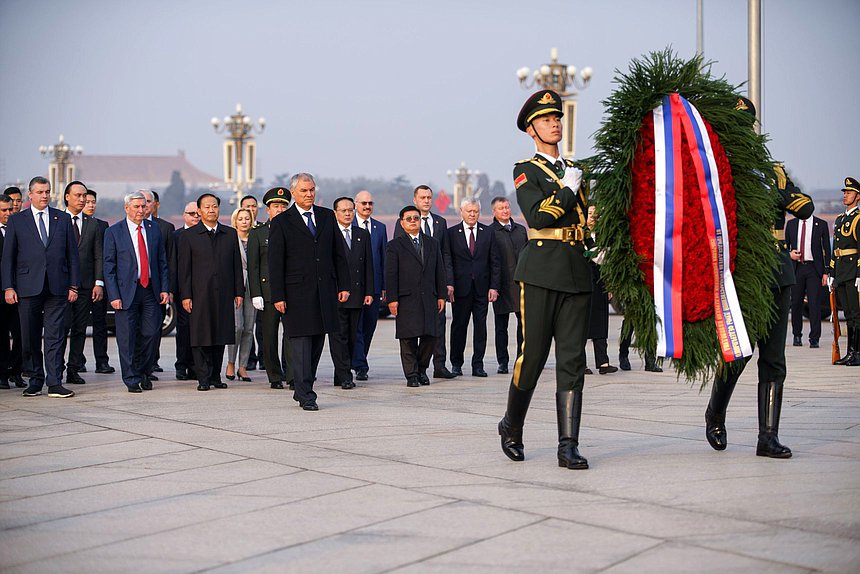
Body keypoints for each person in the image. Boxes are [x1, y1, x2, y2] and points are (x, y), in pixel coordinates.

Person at [704, 97, 814, 459]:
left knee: (774, 358)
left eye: (747, 125)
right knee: (738, 353)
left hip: (778, 270)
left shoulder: (773, 171)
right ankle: (716, 411)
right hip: (745, 272)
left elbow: (806, 205)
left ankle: (767, 436)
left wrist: (781, 192)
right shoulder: (720, 169)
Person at [498, 90, 592, 469]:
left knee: (572, 359)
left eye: (557, 118)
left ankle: (567, 445)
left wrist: (595, 244)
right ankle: (511, 425)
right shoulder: (527, 169)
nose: (555, 123)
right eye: (547, 119)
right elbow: (538, 216)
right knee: (532, 356)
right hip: (539, 271)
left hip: (576, 270)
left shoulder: (576, 167)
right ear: (531, 129)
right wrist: (568, 187)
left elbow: (585, 220)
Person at [268, 173, 349, 410]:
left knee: (316, 344)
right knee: (301, 345)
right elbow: (275, 262)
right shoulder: (282, 222)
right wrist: (279, 295)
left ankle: (304, 386)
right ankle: (306, 394)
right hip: (296, 294)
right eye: (304, 191)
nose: (309, 194)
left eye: (312, 190)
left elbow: (338, 254)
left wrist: (343, 284)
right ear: (293, 193)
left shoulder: (326, 217)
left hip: (324, 291)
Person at [2, 176, 80, 398]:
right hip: (27, 288)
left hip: (57, 287)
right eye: (40, 192)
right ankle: (35, 379)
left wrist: (74, 285)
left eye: (47, 191)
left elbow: (72, 256)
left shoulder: (62, 219)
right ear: (31, 195)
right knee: (29, 337)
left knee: (55, 336)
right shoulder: (17, 221)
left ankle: (54, 382)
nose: (45, 195)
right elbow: (8, 258)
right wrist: (8, 287)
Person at [103, 191, 170, 392]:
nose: (141, 210)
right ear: (127, 208)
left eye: (144, 206)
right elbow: (109, 266)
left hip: (150, 290)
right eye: (136, 207)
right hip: (125, 293)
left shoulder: (154, 229)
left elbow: (162, 261)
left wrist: (165, 288)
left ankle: (144, 372)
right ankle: (131, 378)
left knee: (151, 334)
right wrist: (113, 295)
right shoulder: (114, 232)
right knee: (127, 338)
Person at [177, 193, 244, 392]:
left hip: (223, 293)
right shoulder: (189, 236)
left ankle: (216, 376)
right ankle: (203, 378)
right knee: (200, 336)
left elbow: (236, 266)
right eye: (206, 207)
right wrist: (186, 295)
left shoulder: (229, 234)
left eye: (214, 206)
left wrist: (238, 291)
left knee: (220, 335)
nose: (211, 210)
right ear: (199, 211)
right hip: (199, 294)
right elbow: (184, 269)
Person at [394, 185, 456, 379]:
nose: (427, 201)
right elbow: (399, 256)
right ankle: (415, 372)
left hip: (433, 288)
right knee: (411, 331)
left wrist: (446, 284)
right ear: (415, 200)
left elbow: (444, 255)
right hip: (410, 291)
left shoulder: (440, 222)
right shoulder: (404, 221)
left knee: (436, 329)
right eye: (422, 197)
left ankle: (439, 365)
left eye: (429, 197)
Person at [386, 206, 447, 386]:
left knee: (430, 336)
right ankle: (411, 375)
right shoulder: (394, 245)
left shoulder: (432, 243)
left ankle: (421, 370)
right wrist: (392, 299)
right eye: (409, 219)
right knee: (408, 338)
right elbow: (390, 274)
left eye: (416, 218)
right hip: (406, 299)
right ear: (402, 223)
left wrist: (441, 295)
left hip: (429, 297)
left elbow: (439, 271)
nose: (413, 221)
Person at [447, 198, 500, 377]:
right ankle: (456, 363)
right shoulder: (452, 233)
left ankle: (478, 364)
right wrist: (450, 284)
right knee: (458, 327)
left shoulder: (488, 233)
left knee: (480, 327)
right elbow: (448, 262)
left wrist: (494, 287)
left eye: (475, 211)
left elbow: (495, 261)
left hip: (481, 289)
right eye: (469, 211)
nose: (472, 214)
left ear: (480, 212)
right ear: (461, 211)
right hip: (460, 290)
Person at [248, 187, 293, 390]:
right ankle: (274, 375)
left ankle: (292, 375)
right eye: (276, 206)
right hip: (268, 293)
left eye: (284, 206)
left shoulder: (295, 230)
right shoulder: (258, 233)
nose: (280, 210)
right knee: (269, 336)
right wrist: (256, 292)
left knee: (292, 335)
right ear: (268, 209)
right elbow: (254, 266)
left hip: (291, 291)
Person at [61, 181, 104, 386]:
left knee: (79, 329)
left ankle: (73, 369)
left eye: (84, 196)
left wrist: (98, 283)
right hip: (60, 286)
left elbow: (98, 256)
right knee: (60, 328)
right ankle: (55, 368)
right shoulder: (57, 220)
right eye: (78, 195)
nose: (82, 199)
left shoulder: (92, 224)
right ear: (67, 197)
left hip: (86, 286)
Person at [329, 197, 374, 389]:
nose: (348, 214)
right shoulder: (329, 235)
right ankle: (344, 374)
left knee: (353, 335)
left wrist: (369, 291)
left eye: (350, 210)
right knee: (339, 336)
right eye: (344, 211)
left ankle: (341, 373)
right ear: (335, 213)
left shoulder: (361, 234)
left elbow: (368, 266)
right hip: (336, 295)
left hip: (357, 294)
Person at [488, 196, 527, 375]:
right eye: (501, 208)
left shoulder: (521, 230)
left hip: (521, 284)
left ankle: (522, 357)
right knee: (501, 326)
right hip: (501, 285)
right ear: (494, 212)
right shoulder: (490, 232)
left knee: (524, 325)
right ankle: (502, 361)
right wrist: (492, 286)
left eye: (507, 207)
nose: (505, 211)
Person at [351, 190, 387, 381]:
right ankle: (360, 365)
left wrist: (384, 286)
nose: (367, 206)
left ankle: (359, 358)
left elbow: (383, 258)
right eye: (363, 203)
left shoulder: (380, 228)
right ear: (356, 204)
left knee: (369, 326)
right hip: (354, 287)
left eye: (370, 203)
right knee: (355, 327)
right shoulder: (349, 224)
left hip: (374, 287)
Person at [140, 189, 175, 377]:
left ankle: (152, 362)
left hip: (157, 288)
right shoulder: (126, 228)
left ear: (156, 205)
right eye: (140, 202)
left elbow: (168, 260)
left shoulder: (165, 228)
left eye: (147, 201)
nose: (144, 206)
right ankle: (140, 365)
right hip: (135, 289)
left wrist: (167, 288)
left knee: (154, 328)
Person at [785, 210, 831, 348]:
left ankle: (815, 338)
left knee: (814, 303)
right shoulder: (791, 224)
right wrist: (790, 254)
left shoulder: (821, 224)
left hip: (813, 269)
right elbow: (785, 246)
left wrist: (826, 272)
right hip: (797, 268)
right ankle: (797, 335)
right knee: (796, 303)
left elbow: (827, 249)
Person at [83, 189, 115, 374]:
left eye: (93, 201)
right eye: (87, 201)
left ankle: (101, 361)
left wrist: (100, 281)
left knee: (100, 323)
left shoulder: (103, 226)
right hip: (76, 285)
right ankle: (77, 361)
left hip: (98, 283)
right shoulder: (65, 223)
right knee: (76, 326)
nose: (91, 205)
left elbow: (105, 256)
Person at [584, 205, 618, 375]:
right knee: (581, 325)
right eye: (589, 213)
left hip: (600, 283)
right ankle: (580, 364)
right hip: (582, 283)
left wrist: (610, 284)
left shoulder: (604, 235)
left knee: (601, 322)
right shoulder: (579, 235)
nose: (592, 217)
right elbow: (598, 257)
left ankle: (603, 362)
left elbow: (608, 261)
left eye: (595, 214)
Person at [830, 177, 860, 366]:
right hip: (841, 271)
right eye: (844, 192)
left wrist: (859, 274)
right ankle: (850, 352)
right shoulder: (841, 219)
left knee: (856, 314)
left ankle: (857, 353)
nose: (845, 195)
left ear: (857, 197)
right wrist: (832, 272)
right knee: (848, 314)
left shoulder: (858, 219)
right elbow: (836, 249)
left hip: (853, 272)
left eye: (849, 192)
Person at [225, 207, 256, 382]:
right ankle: (230, 362)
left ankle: (242, 366)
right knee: (237, 327)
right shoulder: (230, 238)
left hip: (253, 286)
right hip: (235, 285)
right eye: (241, 218)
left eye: (247, 218)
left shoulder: (255, 237)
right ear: (235, 221)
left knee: (249, 328)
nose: (244, 221)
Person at [172, 201, 200, 380]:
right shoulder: (176, 236)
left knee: (199, 331)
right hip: (183, 291)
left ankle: (196, 367)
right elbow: (174, 265)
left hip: (202, 291)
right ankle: (181, 365)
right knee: (184, 330)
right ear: (184, 215)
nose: (196, 217)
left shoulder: (204, 234)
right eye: (192, 214)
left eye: (198, 214)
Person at [0, 194, 24, 389]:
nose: (9, 213)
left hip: (19, 291)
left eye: (10, 209)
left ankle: (16, 371)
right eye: (4, 210)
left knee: (21, 334)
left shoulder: (19, 230)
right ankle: (2, 373)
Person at [240, 194, 264, 371]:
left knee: (262, 326)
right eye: (247, 206)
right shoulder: (233, 234)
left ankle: (264, 357)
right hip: (242, 285)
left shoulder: (262, 230)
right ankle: (248, 358)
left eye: (253, 206)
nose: (250, 209)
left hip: (262, 285)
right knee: (243, 325)